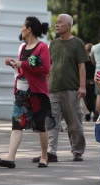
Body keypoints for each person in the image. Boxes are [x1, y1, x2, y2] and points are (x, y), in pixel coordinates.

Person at [0, 16, 51, 168]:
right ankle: (10, 158)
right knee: (17, 124)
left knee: (40, 125)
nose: (21, 30)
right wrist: (13, 64)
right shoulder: (22, 48)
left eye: (23, 27)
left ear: (29, 29)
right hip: (21, 91)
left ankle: (44, 156)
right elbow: (22, 69)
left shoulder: (42, 47)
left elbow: (45, 68)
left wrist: (23, 63)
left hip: (37, 93)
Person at [32, 14, 88, 163]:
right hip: (53, 88)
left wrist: (82, 86)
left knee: (74, 122)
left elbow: (82, 65)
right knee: (51, 121)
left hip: (71, 88)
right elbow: (48, 66)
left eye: (60, 23)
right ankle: (51, 152)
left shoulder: (77, 43)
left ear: (68, 26)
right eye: (55, 23)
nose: (56, 25)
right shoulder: (53, 44)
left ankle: (77, 151)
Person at [84, 43, 97, 121]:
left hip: (86, 81)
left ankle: (87, 114)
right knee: (93, 97)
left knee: (88, 98)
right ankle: (94, 112)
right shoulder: (94, 60)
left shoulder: (83, 60)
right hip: (93, 80)